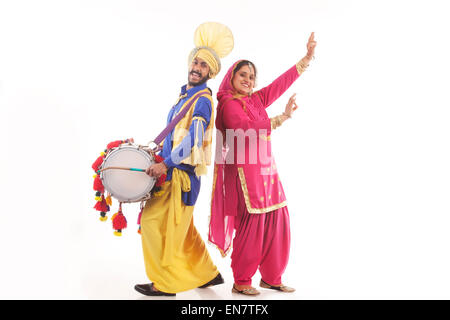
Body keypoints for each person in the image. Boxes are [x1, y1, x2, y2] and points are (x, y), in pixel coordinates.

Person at [209, 33, 317, 295]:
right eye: (243, 75)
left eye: (252, 76)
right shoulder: (228, 104)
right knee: (253, 228)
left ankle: (271, 277)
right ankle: (242, 281)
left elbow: (278, 86)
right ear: (232, 79)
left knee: (278, 221)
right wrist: (281, 118)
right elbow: (244, 128)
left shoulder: (253, 100)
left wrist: (306, 59)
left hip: (267, 172)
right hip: (245, 177)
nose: (248, 80)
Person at [135, 22, 234, 296]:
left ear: (210, 72)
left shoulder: (202, 100)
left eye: (203, 65)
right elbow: (175, 137)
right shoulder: (184, 97)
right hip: (173, 171)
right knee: (183, 230)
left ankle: (165, 284)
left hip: (180, 176)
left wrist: (164, 164)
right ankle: (208, 274)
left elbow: (192, 139)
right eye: (196, 62)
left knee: (156, 226)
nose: (197, 67)